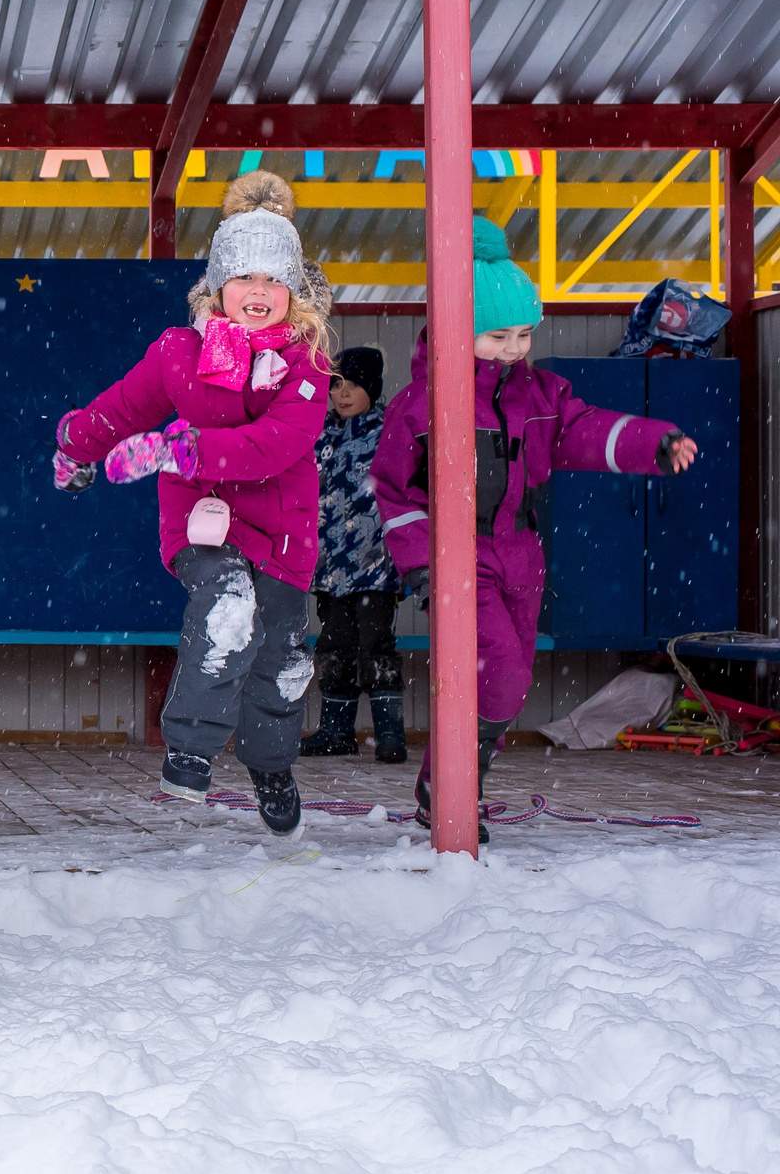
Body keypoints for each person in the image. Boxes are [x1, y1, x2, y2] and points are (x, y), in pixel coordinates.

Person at [371, 218, 697, 844]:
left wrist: (653, 442)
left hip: (522, 553)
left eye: (523, 334)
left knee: (509, 681)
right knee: (499, 672)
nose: (514, 348)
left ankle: (450, 784)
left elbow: (586, 429)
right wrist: (420, 561)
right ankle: (453, 791)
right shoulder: (421, 404)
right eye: (497, 336)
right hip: (460, 556)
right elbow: (394, 488)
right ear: (455, 332)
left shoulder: (540, 394)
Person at [55, 181, 334, 835]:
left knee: (278, 664)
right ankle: (189, 748)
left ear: (293, 290)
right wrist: (78, 444)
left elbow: (272, 446)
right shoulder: (180, 353)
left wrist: (179, 449)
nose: (258, 291)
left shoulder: (307, 365)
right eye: (243, 276)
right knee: (228, 605)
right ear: (217, 286)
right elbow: (123, 407)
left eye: (273, 278)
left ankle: (270, 766)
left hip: (284, 536)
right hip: (206, 524)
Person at [301, 346, 405, 762]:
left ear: (373, 388)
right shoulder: (317, 433)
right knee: (333, 645)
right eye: (337, 384)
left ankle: (390, 733)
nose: (343, 394)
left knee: (375, 644)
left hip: (375, 565)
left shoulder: (388, 432)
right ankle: (336, 731)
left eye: (355, 385)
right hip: (329, 568)